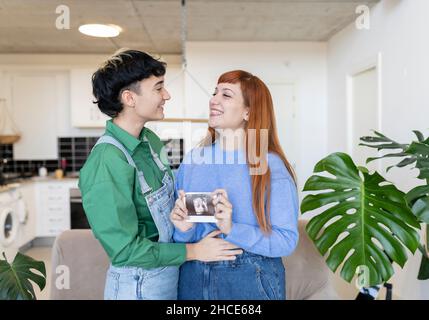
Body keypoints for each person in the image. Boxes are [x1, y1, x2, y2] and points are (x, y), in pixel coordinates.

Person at [79, 49, 242, 300]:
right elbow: (124, 251)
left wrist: (219, 208)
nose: (167, 95)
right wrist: (195, 251)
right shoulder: (107, 161)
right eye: (158, 88)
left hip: (165, 276)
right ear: (129, 98)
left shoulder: (149, 141)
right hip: (136, 285)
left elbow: (171, 202)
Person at [170, 70, 299, 300]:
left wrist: (232, 229)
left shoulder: (271, 166)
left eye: (226, 95)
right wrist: (184, 228)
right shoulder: (193, 160)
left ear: (248, 111)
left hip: (249, 279)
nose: (213, 99)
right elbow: (186, 235)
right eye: (214, 92)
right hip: (193, 278)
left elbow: (286, 241)